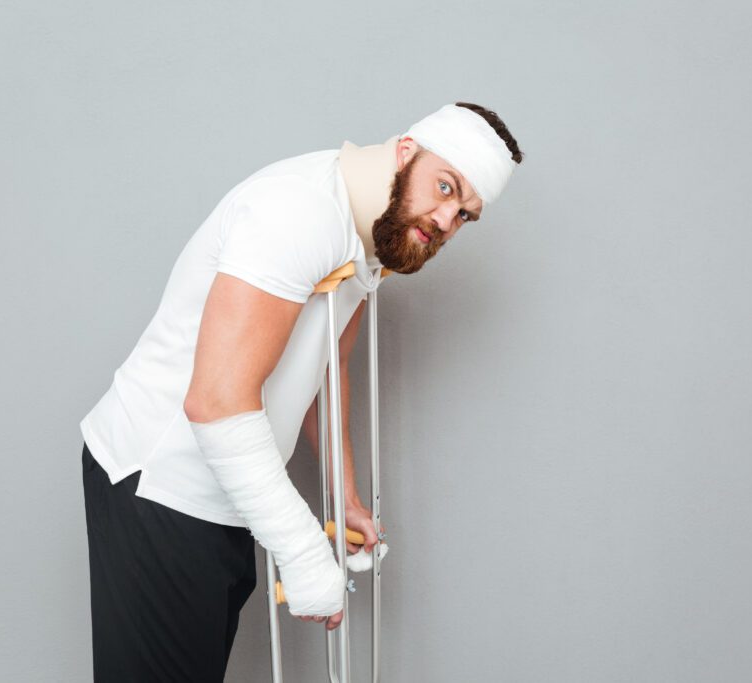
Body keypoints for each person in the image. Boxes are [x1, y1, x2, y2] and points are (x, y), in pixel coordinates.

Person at [80, 102, 523, 681]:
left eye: (464, 214)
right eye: (445, 187)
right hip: (160, 481)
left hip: (231, 486)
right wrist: (302, 551)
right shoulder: (299, 213)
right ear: (406, 152)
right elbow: (214, 403)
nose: (445, 219)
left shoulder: (373, 230)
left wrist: (343, 494)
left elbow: (327, 365)